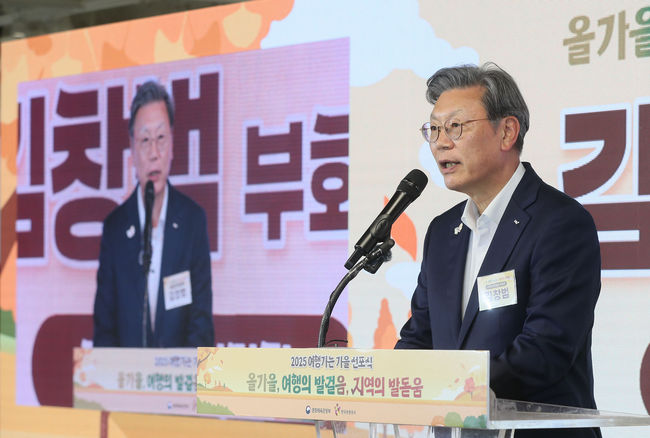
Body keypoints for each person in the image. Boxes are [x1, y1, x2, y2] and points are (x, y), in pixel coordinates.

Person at [395, 63, 601, 438]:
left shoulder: (560, 223)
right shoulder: (442, 232)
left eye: (455, 126)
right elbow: (419, 337)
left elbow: (546, 348)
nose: (440, 142)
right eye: (434, 129)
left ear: (506, 132)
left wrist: (455, 392)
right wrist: (389, 380)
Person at [93, 80, 214, 348]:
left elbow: (201, 325)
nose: (154, 153)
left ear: (172, 144)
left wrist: (175, 371)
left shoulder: (192, 221)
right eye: (145, 140)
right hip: (126, 375)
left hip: (179, 373)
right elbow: (104, 331)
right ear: (132, 149)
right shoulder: (115, 229)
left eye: (160, 138)